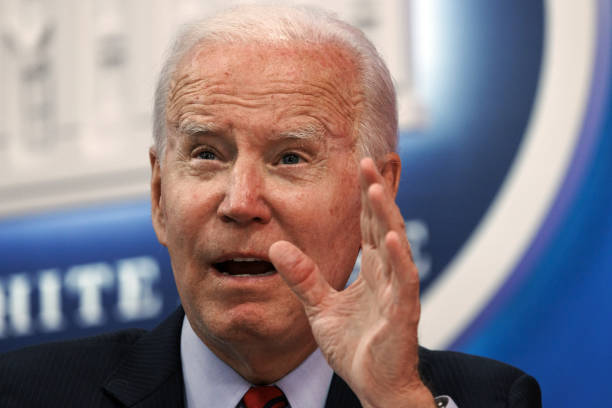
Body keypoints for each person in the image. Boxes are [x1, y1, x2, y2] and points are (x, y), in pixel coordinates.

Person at [0, 5, 541, 408]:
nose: (240, 203)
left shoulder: (490, 398)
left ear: (374, 195)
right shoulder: (24, 394)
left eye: (289, 157)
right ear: (160, 195)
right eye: (207, 153)